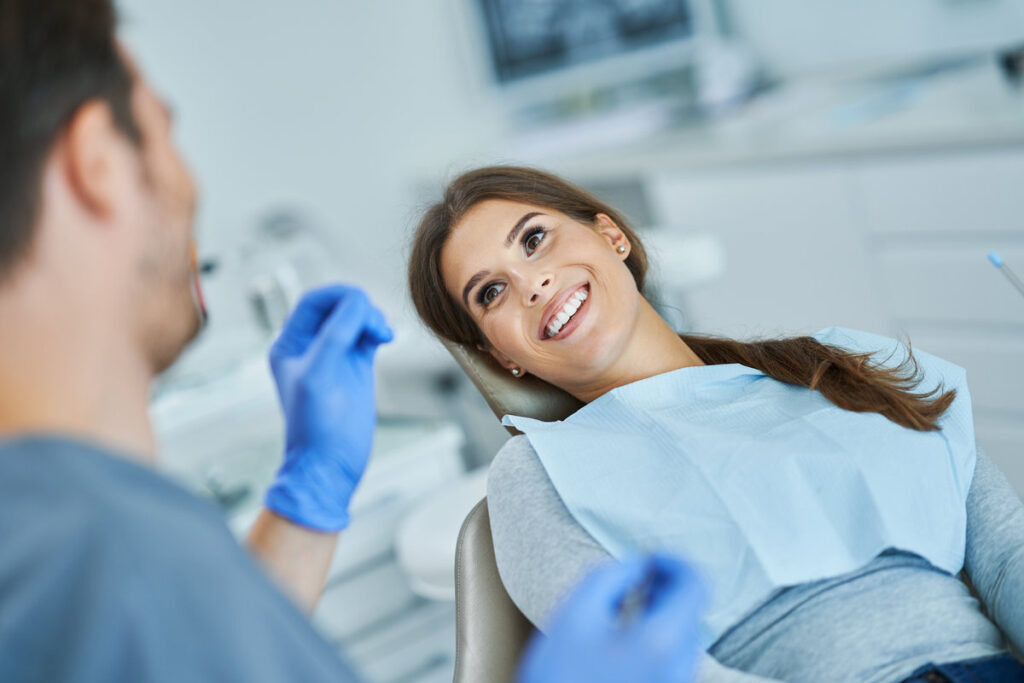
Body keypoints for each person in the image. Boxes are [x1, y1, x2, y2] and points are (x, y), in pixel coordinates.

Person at [0, 2, 707, 681]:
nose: (190, 189)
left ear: (613, 236)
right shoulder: (91, 556)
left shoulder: (76, 545)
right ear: (97, 163)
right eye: (164, 131)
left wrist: (307, 493)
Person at [407, 165, 1024, 683]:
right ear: (500, 356)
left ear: (611, 236)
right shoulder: (537, 472)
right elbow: (658, 672)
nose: (532, 284)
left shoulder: (844, 365)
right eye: (491, 292)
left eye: (535, 239)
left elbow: (1006, 559)